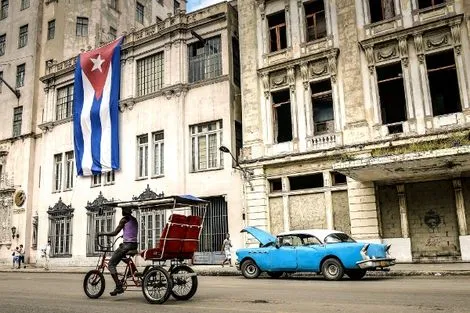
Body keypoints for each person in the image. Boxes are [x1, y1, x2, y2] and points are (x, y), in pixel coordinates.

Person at [98, 207, 138, 296]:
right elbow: (131, 231)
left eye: (123, 210)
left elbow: (115, 233)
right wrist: (124, 235)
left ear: (126, 211)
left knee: (111, 264)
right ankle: (132, 267)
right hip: (134, 245)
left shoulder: (124, 220)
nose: (122, 211)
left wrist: (102, 233)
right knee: (120, 251)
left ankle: (118, 286)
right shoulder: (134, 219)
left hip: (127, 245)